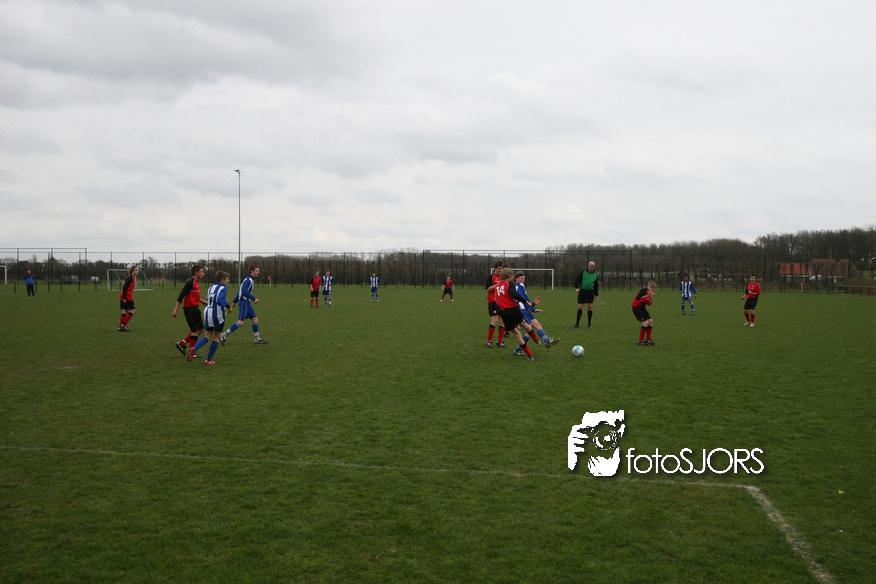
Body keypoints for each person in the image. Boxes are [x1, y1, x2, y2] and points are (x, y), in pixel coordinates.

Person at [488, 267, 536, 360]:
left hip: (504, 312)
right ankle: (535, 339)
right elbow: (514, 294)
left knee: (516, 333)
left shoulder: (497, 286)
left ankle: (530, 354)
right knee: (524, 324)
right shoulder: (509, 283)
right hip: (513, 309)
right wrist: (526, 301)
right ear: (510, 277)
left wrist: (501, 312)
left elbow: (497, 300)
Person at [190, 271, 233, 364]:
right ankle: (208, 359)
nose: (228, 281)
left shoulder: (211, 287)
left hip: (208, 312)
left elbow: (214, 298)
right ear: (222, 280)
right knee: (216, 337)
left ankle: (194, 348)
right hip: (217, 314)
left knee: (207, 336)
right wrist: (228, 306)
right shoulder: (223, 288)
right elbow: (220, 299)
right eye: (227, 279)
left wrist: (224, 300)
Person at [219, 265, 268, 345]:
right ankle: (224, 335)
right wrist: (253, 298)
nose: (258, 272)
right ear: (252, 271)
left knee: (255, 320)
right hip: (244, 303)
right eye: (256, 271)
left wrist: (234, 301)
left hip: (247, 302)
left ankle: (257, 339)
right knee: (240, 323)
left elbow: (240, 291)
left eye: (258, 271)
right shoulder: (249, 280)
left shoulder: (249, 279)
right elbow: (244, 291)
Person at [513, 271, 560, 351]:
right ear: (516, 279)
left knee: (537, 325)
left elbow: (523, 300)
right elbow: (524, 299)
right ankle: (518, 350)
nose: (524, 280)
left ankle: (546, 341)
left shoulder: (516, 286)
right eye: (522, 278)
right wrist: (533, 307)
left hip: (524, 310)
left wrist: (533, 304)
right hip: (522, 310)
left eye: (524, 278)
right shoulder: (519, 285)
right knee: (530, 330)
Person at [172, 266, 207, 359]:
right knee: (195, 331)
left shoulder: (197, 283)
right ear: (196, 272)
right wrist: (176, 310)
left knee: (201, 329)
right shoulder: (190, 282)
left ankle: (182, 344)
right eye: (202, 272)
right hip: (190, 309)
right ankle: (191, 352)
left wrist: (202, 302)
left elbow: (194, 296)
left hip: (195, 308)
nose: (203, 274)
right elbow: (181, 296)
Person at [485, 262, 506, 347]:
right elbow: (487, 289)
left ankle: (500, 341)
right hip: (493, 301)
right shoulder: (490, 277)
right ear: (495, 268)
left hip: (502, 302)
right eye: (499, 268)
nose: (500, 270)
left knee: (503, 322)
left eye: (502, 268)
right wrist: (497, 285)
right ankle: (489, 341)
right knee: (495, 320)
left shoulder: (503, 277)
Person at [574, 261, 599, 328]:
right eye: (590, 265)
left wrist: (596, 295)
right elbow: (577, 279)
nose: (591, 267)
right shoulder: (583, 272)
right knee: (580, 306)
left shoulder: (595, 274)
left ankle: (589, 324)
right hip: (582, 291)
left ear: (594, 267)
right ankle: (577, 324)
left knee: (590, 307)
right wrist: (576, 287)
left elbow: (596, 286)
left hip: (590, 292)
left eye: (592, 266)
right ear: (588, 266)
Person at [631, 280, 657, 346]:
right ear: (648, 286)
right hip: (636, 307)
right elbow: (638, 298)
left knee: (650, 321)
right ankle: (640, 341)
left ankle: (648, 339)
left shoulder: (650, 294)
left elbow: (649, 304)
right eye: (650, 287)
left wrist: (651, 298)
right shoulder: (644, 290)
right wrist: (647, 295)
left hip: (642, 308)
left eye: (652, 288)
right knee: (645, 322)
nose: (651, 289)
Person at [118, 265, 139, 332]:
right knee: (133, 310)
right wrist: (124, 297)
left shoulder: (132, 277)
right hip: (127, 296)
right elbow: (125, 287)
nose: (137, 271)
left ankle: (121, 326)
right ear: (132, 271)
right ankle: (123, 325)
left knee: (125, 310)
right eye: (136, 270)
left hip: (126, 295)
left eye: (138, 270)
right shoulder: (130, 277)